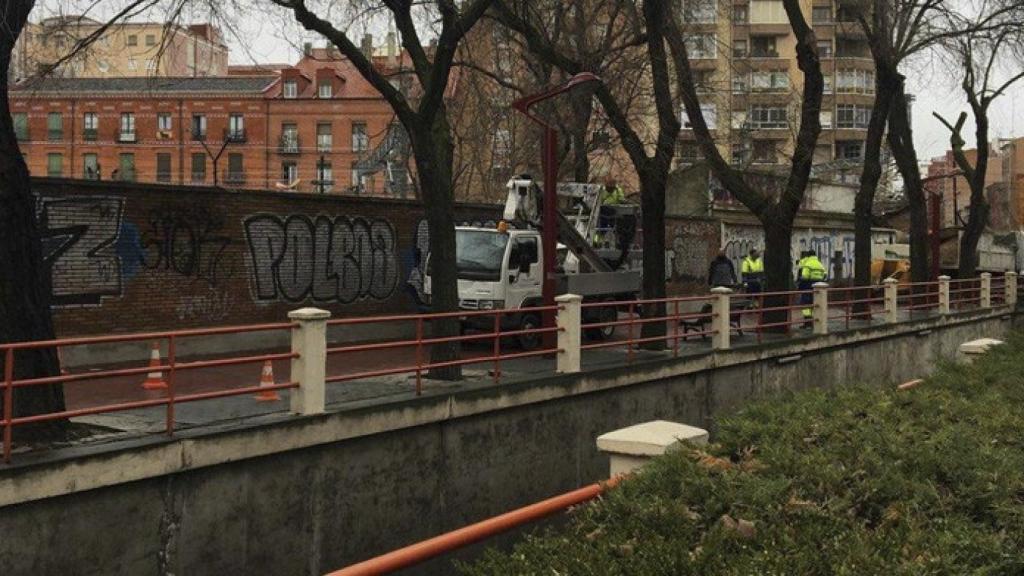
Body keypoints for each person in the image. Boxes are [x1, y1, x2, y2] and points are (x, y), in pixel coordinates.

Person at [797, 249, 827, 327]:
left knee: (805, 303)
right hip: (819, 285)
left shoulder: (808, 264)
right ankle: (816, 321)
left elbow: (805, 276)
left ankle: (807, 321)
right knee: (816, 303)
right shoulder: (820, 264)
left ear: (808, 256)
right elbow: (825, 274)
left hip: (808, 285)